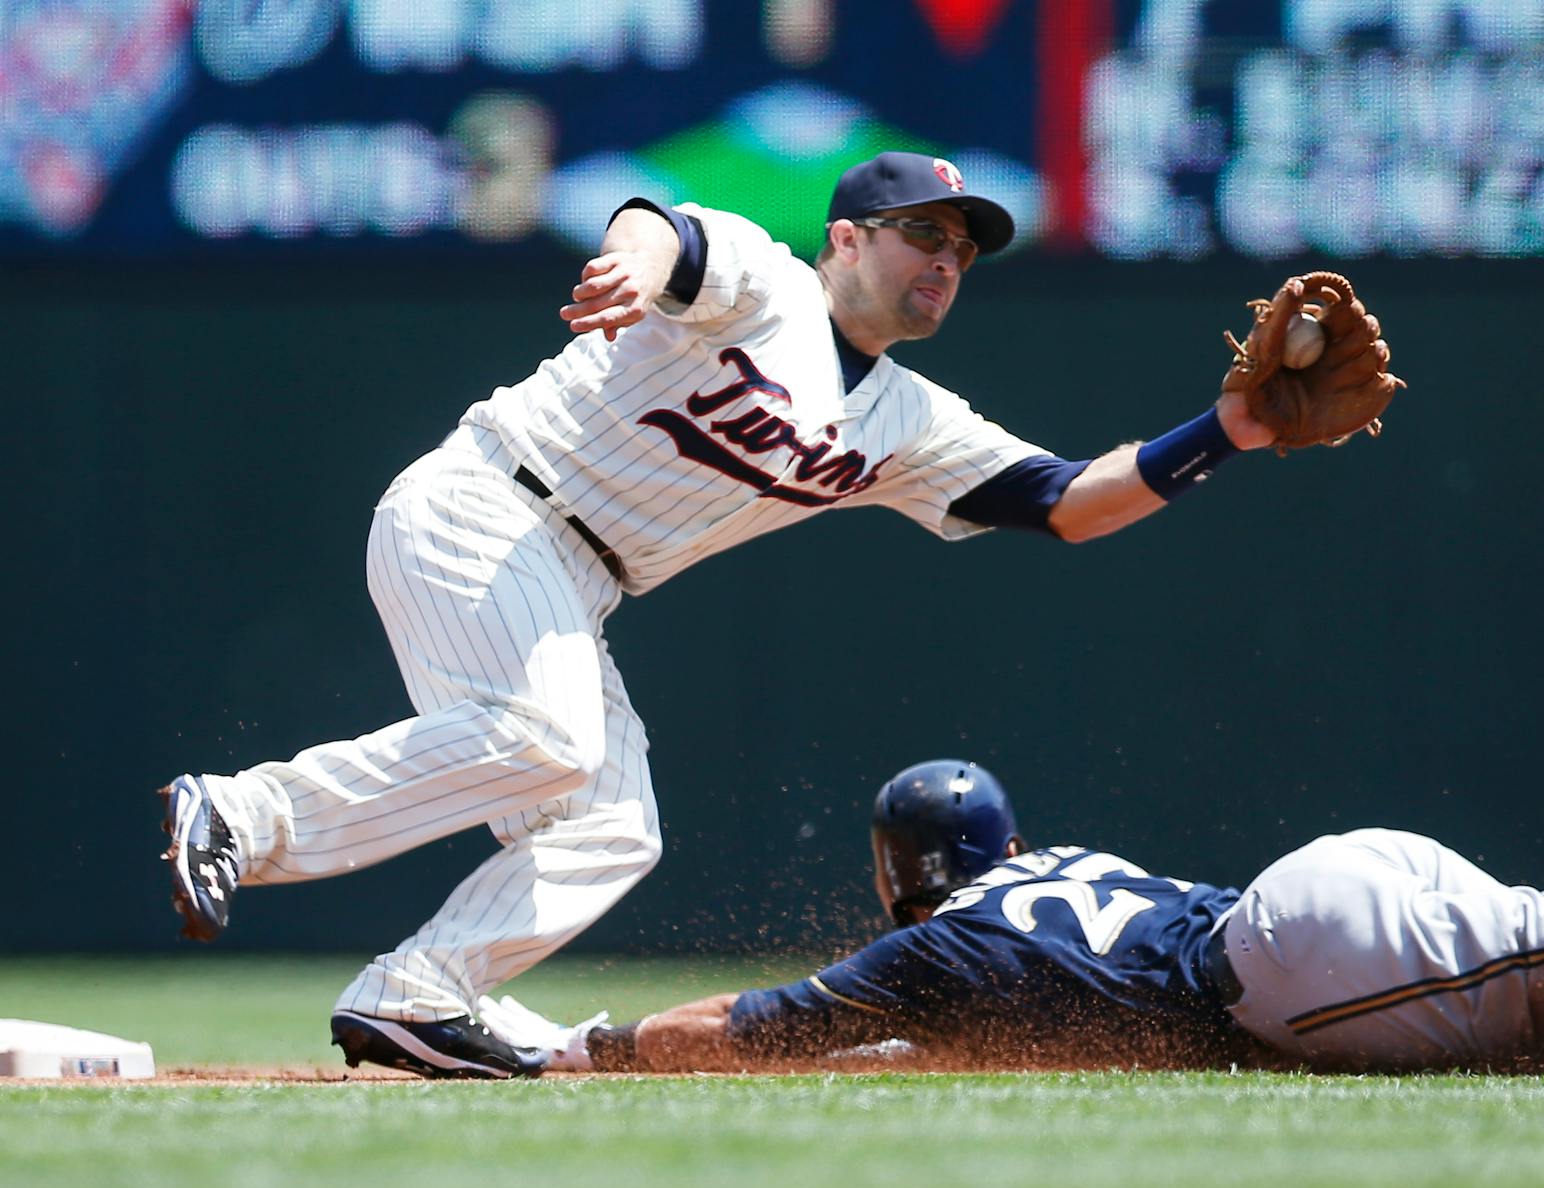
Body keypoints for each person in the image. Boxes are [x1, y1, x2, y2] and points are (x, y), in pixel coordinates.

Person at [156, 153, 1388, 1079]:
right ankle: (244, 810)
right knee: (551, 738)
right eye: (921, 233)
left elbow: (1070, 502)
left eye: (964, 246)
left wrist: (1234, 431)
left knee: (612, 826)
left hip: (574, 580)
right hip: (487, 504)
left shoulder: (907, 419)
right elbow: (661, 226)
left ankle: (416, 994)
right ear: (846, 239)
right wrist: (630, 269)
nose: (946, 259)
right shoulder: (762, 283)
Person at [558, 760, 1544, 1076]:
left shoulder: (931, 944)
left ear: (904, 869)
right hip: (1313, 905)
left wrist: (607, 1045)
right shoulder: (1047, 884)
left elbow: (752, 1032)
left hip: (1304, 970)